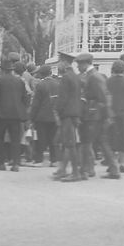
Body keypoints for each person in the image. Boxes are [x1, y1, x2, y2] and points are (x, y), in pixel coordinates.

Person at [0, 59, 30, 172]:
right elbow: (25, 98)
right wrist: (22, 109)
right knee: (15, 139)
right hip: (16, 115)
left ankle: (1, 163)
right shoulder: (19, 81)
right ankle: (15, 164)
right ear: (12, 70)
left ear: (2, 70)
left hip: (1, 114)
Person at [53, 52, 84, 182]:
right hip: (75, 113)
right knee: (68, 143)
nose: (58, 64)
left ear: (64, 63)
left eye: (59, 61)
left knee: (69, 144)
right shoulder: (76, 76)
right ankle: (63, 170)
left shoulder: (66, 77)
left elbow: (63, 98)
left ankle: (75, 173)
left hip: (67, 114)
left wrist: (57, 111)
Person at [106, 60, 124, 174]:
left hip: (112, 114)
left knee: (112, 139)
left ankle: (112, 163)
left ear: (113, 69)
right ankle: (122, 163)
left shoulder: (108, 82)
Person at [30, 64, 58, 167]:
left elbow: (36, 103)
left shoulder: (40, 85)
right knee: (52, 139)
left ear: (41, 74)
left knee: (40, 139)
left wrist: (32, 117)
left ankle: (39, 160)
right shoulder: (57, 83)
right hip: (54, 116)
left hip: (41, 116)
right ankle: (54, 160)